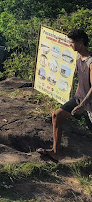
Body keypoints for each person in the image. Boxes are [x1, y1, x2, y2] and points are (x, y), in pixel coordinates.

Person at [37, 28, 92, 162]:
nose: (70, 45)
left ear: (80, 43)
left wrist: (82, 105)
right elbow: (81, 80)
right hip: (79, 98)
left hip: (89, 103)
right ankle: (55, 152)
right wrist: (76, 98)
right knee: (57, 115)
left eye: (72, 42)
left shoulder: (91, 62)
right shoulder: (78, 57)